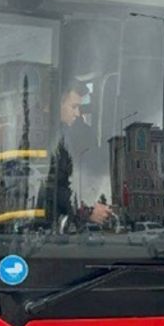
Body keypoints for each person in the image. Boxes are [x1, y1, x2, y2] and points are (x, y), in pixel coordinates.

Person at [41, 82, 112, 230]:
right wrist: (86, 210)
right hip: (45, 222)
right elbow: (50, 185)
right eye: (74, 107)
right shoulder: (42, 135)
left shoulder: (66, 133)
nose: (77, 113)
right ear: (54, 105)